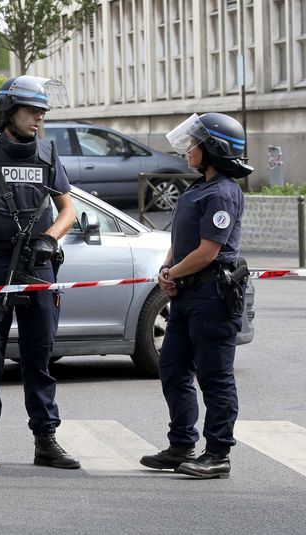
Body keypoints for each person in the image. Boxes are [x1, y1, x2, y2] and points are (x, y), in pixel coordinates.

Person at [0, 76, 80, 470]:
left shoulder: (47, 154)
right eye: (31, 111)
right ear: (8, 112)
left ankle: (45, 440)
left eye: (42, 112)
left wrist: (50, 239)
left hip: (37, 267)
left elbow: (68, 210)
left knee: (39, 358)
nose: (38, 118)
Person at [140, 113, 252, 479]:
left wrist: (173, 273)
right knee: (172, 369)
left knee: (215, 377)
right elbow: (181, 241)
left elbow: (208, 252)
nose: (188, 149)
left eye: (196, 143)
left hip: (213, 297)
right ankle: (180, 445)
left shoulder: (222, 192)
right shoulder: (197, 188)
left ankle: (218, 453)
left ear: (214, 150)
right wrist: (167, 271)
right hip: (187, 295)